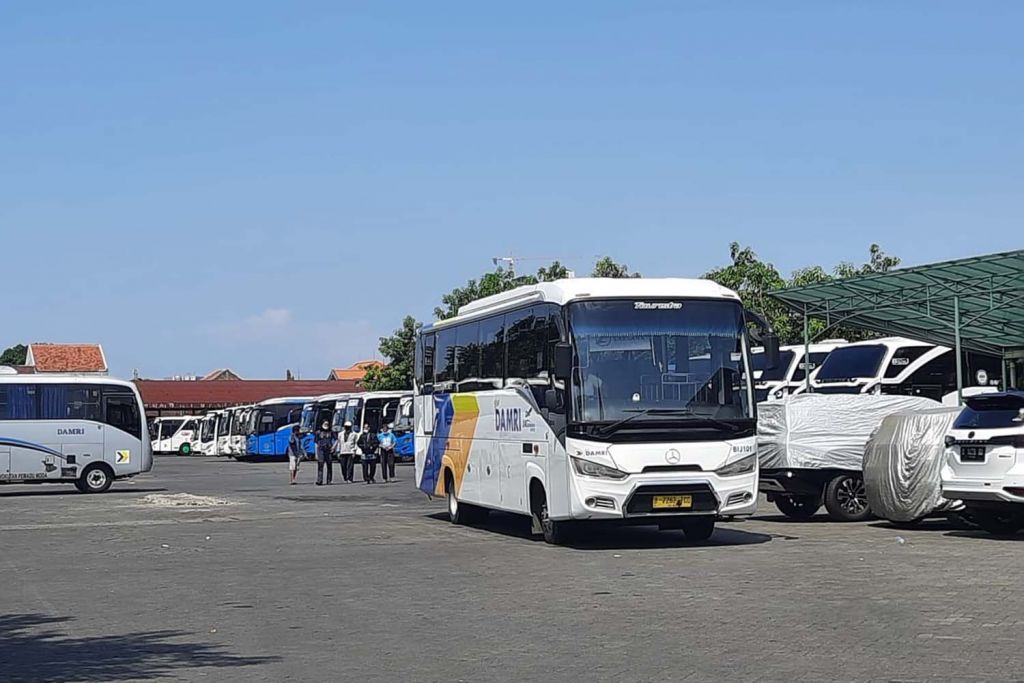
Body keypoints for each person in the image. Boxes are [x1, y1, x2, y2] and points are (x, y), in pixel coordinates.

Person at [314, 420, 335, 486]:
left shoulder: (331, 432)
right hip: (320, 450)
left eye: (327, 424)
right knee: (320, 466)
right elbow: (316, 443)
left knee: (329, 465)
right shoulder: (318, 432)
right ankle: (319, 480)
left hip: (328, 450)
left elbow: (337, 439)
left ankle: (329, 480)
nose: (326, 425)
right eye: (325, 423)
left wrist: (333, 447)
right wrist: (316, 453)